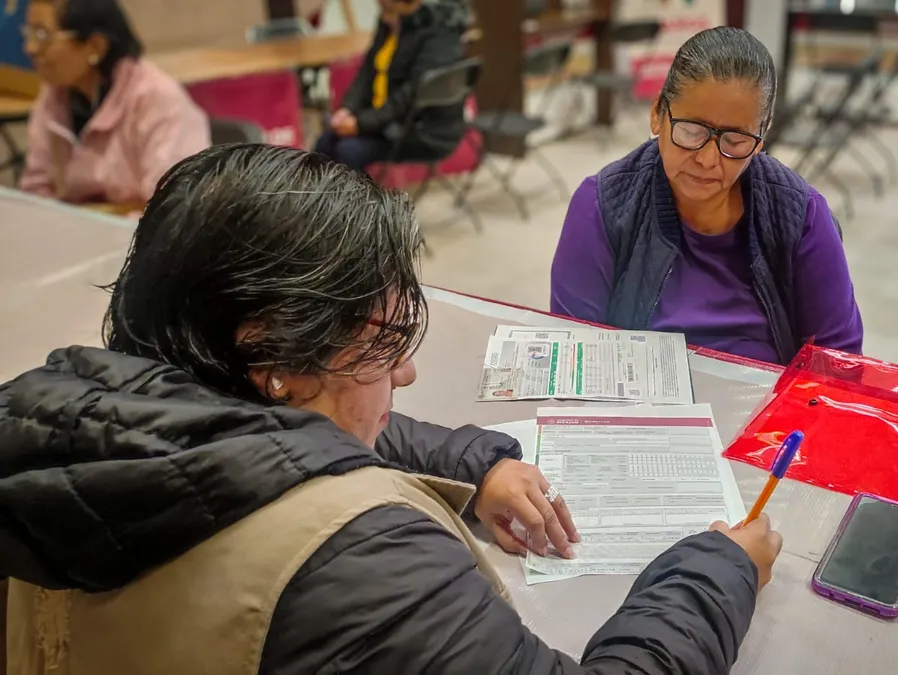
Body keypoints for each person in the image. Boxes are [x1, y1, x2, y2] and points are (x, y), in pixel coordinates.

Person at [0, 143, 784, 675]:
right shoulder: (365, 568)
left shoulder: (73, 434)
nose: (407, 371)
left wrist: (478, 467)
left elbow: (262, 448)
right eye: (380, 344)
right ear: (273, 357)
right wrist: (715, 573)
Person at [550, 27, 864, 365]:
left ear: (761, 138)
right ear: (657, 114)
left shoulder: (801, 216)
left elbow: (838, 364)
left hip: (768, 398)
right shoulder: (602, 206)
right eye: (691, 131)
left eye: (735, 141)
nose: (707, 159)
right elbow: (574, 355)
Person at [18, 0, 210, 209]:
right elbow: (36, 191)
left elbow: (172, 210)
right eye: (29, 33)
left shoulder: (158, 99)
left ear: (95, 46)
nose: (30, 48)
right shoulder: (54, 96)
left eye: (42, 36)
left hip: (135, 229)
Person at [314, 0, 467, 172]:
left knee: (349, 151)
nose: (379, 6)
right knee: (324, 144)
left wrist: (361, 124)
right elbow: (367, 72)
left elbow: (412, 95)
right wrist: (348, 109)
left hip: (421, 130)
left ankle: (356, 191)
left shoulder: (441, 31)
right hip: (384, 121)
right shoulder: (390, 21)